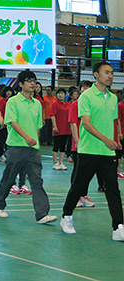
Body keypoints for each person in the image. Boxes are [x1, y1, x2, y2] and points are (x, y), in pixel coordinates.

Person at [61, 61, 124, 241]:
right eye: (106, 72)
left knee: (113, 189)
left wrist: (116, 139)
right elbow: (86, 124)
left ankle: (118, 227)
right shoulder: (86, 96)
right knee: (79, 186)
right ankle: (66, 216)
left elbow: (113, 121)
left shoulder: (112, 98)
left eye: (112, 73)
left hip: (108, 153)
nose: (110, 76)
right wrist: (106, 140)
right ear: (96, 74)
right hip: (88, 150)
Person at [0, 71, 58, 225]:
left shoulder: (37, 103)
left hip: (33, 149)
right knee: (9, 178)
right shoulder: (13, 101)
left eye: (34, 80)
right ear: (21, 84)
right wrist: (26, 137)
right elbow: (12, 122)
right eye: (28, 81)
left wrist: (35, 141)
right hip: (16, 146)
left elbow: (38, 126)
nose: (32, 83)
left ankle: (42, 214)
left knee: (37, 180)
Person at [68, 81, 95, 208]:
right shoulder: (75, 104)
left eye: (89, 88)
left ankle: (83, 195)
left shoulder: (92, 105)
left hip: (91, 143)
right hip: (79, 144)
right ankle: (75, 197)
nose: (86, 90)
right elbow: (73, 123)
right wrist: (77, 141)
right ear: (80, 90)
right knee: (77, 171)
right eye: (84, 88)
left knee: (87, 172)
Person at [51, 87, 71, 170]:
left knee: (63, 146)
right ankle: (55, 163)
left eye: (62, 93)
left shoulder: (68, 104)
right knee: (56, 146)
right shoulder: (55, 104)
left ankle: (61, 162)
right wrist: (55, 126)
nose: (60, 95)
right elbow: (53, 116)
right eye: (59, 93)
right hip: (58, 128)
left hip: (66, 128)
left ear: (65, 95)